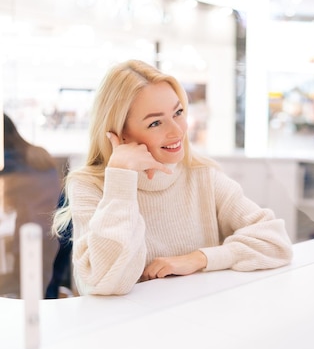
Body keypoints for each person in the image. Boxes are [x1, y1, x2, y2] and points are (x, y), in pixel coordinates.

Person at [52, 60, 293, 296]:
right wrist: (121, 181)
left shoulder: (201, 175)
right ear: (119, 134)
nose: (178, 130)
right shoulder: (90, 185)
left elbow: (276, 242)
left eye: (178, 112)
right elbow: (106, 283)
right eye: (156, 122)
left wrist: (199, 259)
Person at [0, 113, 61, 298]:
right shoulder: (37, 153)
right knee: (46, 296)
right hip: (55, 237)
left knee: (31, 297)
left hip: (33, 240)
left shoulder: (10, 159)